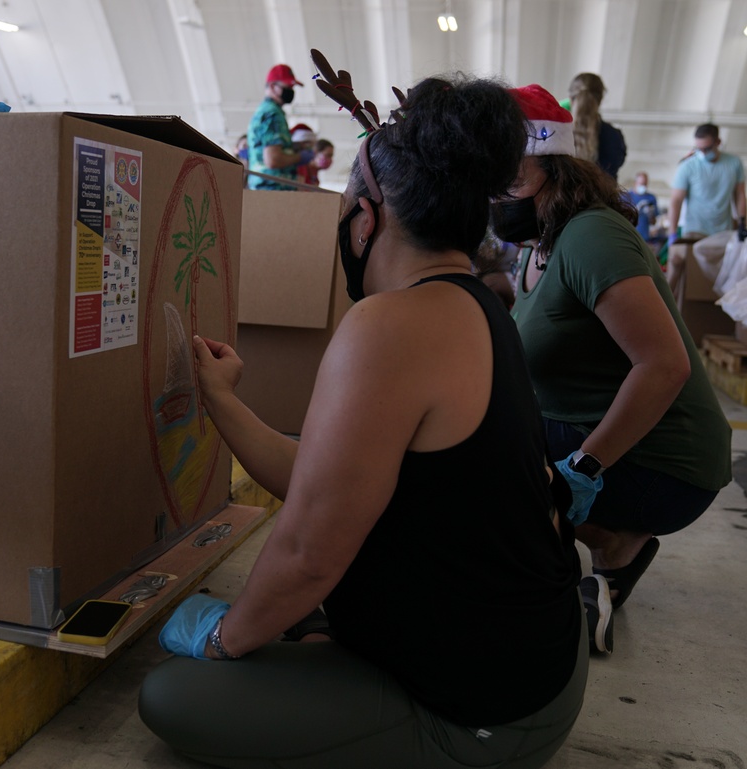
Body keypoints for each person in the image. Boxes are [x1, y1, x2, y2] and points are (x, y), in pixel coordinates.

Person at [140, 74, 588, 769]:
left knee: (173, 694)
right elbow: (324, 479)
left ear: (371, 215)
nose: (342, 208)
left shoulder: (389, 325)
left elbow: (309, 551)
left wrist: (225, 638)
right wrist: (220, 396)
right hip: (534, 665)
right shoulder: (478, 308)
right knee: (291, 620)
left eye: (349, 191)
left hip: (484, 717)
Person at [493, 85, 731, 620]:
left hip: (665, 464)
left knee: (484, 464)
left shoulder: (590, 236)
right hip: (600, 434)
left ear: (555, 168)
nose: (497, 194)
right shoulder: (535, 251)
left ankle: (597, 538)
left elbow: (664, 365)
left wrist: (582, 468)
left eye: (511, 176)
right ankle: (612, 544)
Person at [667, 123, 747, 293]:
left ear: (718, 142)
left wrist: (742, 222)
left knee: (722, 279)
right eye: (699, 148)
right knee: (677, 264)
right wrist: (672, 233)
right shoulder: (688, 166)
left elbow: (740, 194)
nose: (702, 153)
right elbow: (676, 200)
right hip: (694, 231)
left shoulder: (733, 163)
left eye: (707, 148)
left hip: (722, 234)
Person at [246, 65, 312, 190]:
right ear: (272, 86)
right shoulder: (272, 114)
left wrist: (295, 147)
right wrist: (300, 157)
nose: (291, 91)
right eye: (287, 87)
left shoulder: (264, 111)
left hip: (264, 189)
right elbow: (273, 160)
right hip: (272, 190)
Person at [568, 73, 626, 179]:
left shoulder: (559, 134)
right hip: (604, 195)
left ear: (570, 100)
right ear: (600, 100)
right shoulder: (614, 137)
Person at [623, 171, 658, 243]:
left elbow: (653, 222)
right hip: (628, 235)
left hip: (644, 237)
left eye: (645, 184)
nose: (643, 187)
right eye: (641, 184)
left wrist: (650, 215)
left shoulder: (651, 198)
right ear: (635, 183)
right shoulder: (626, 197)